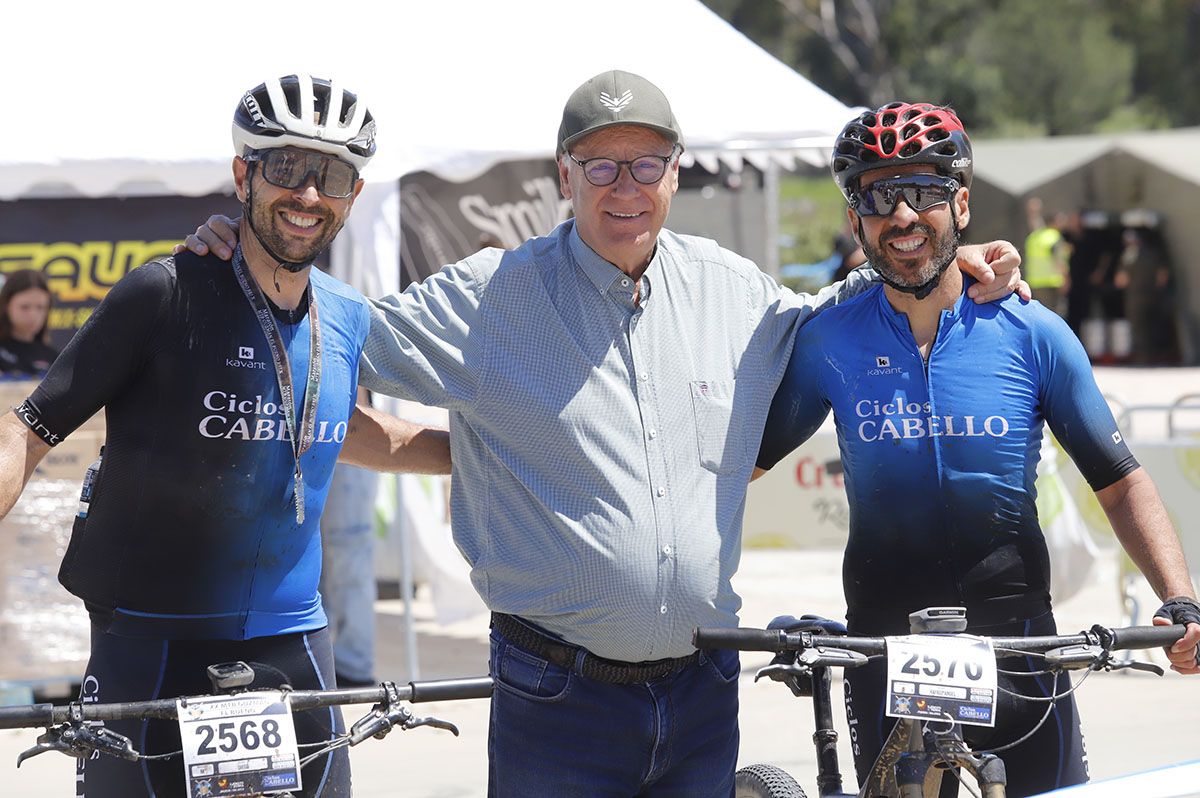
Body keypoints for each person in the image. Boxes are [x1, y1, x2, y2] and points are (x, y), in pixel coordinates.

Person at [183, 70, 1026, 797]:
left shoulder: (734, 292)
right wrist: (245, 253)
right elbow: (313, 345)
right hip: (558, 696)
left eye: (647, 164)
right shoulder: (489, 296)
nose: (626, 187)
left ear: (675, 173)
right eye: (602, 166)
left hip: (702, 692)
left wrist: (962, 261)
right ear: (565, 175)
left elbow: (860, 299)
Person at [0, 74, 451, 798]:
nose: (307, 193)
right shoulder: (163, 292)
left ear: (353, 197)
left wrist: (482, 459)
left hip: (297, 644)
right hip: (151, 641)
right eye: (284, 167)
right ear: (243, 173)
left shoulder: (346, 315)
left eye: (331, 175)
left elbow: (338, 428)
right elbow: (27, 431)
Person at [756, 102, 1200, 797]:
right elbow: (735, 474)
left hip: (1020, 641)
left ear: (961, 204)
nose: (902, 216)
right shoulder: (827, 342)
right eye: (878, 195)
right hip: (885, 643)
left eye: (926, 192)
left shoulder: (1033, 332)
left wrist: (1180, 599)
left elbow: (1118, 481)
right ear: (855, 221)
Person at [320, 387, 382, 687]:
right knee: (326, 554)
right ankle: (332, 658)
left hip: (350, 419)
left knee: (348, 550)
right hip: (319, 421)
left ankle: (353, 664)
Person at [0, 269, 58, 378]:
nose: (33, 315)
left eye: (40, 307)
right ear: (6, 305)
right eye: (25, 307)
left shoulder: (54, 358)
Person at [1023, 199, 1070, 316]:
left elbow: (1034, 224)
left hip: (1035, 282)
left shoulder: (1036, 236)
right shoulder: (1054, 237)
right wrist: (1066, 279)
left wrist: (1033, 212)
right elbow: (1059, 261)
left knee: (1038, 315)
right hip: (1052, 283)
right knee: (1055, 316)